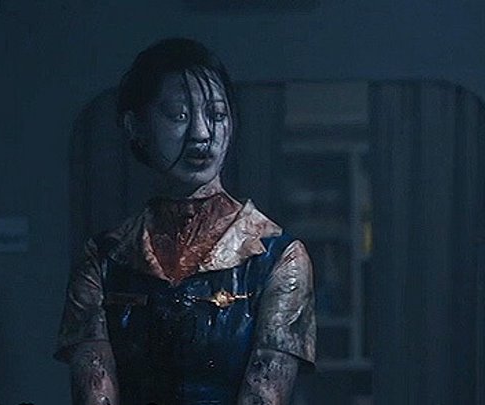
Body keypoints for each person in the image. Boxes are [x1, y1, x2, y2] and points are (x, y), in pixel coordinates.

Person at [55, 38, 315, 405]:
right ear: (135, 126)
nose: (201, 134)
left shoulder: (278, 258)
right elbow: (94, 390)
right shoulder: (103, 258)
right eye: (178, 115)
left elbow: (264, 393)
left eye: (217, 115)